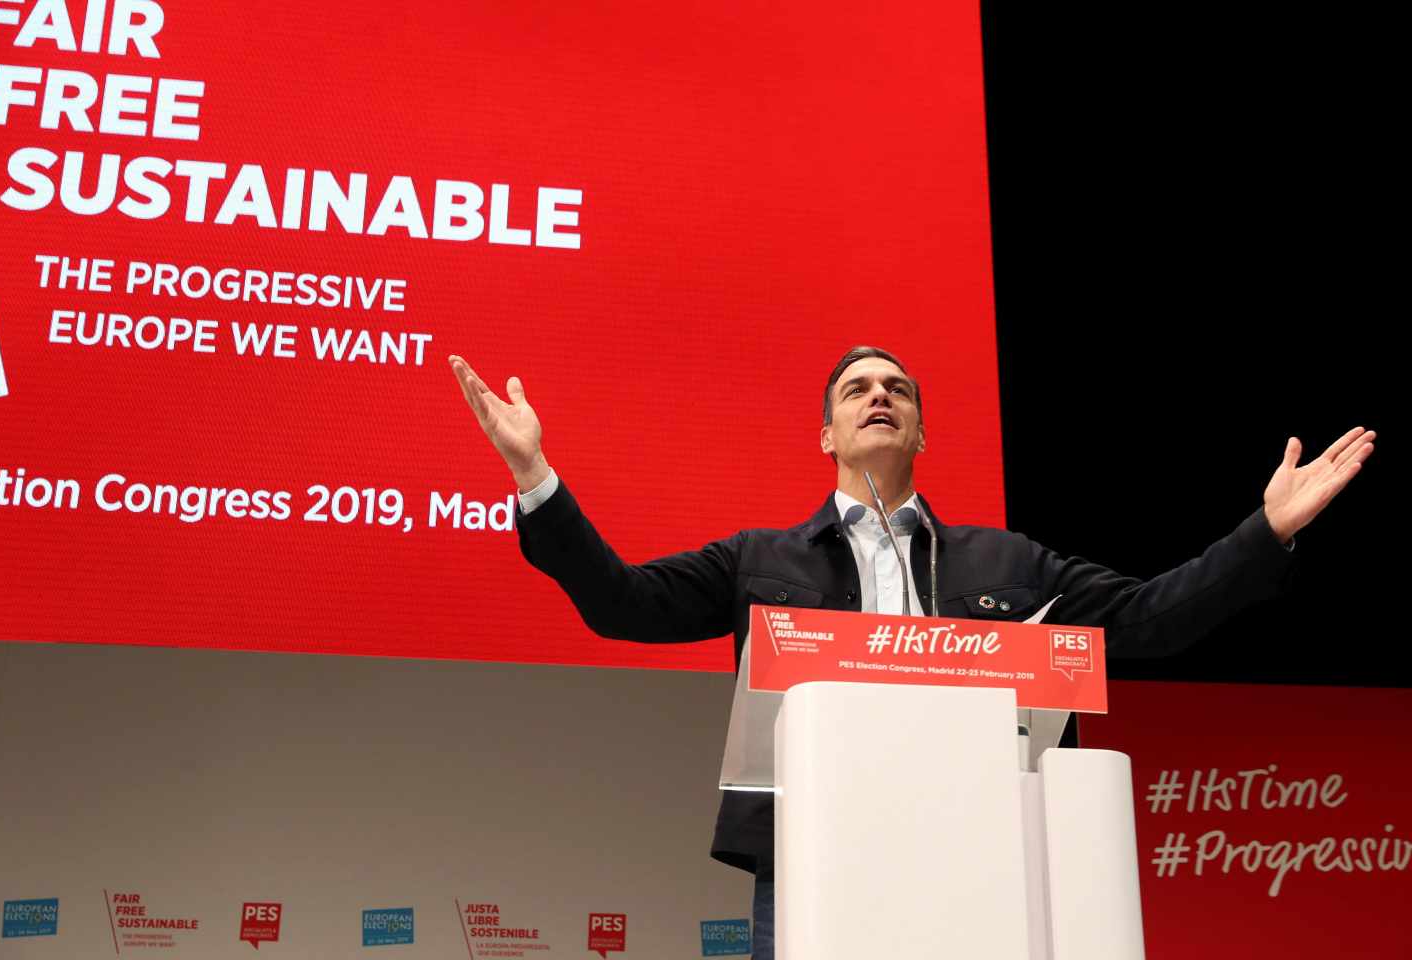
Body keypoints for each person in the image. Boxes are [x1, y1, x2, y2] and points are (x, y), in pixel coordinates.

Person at [448, 345, 1374, 960]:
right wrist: (535, 476)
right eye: (857, 390)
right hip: (814, 853)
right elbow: (621, 604)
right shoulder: (757, 561)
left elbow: (1151, 619)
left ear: (922, 431)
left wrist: (1265, 532)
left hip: (987, 856)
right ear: (828, 435)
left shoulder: (1012, 562)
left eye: (897, 389)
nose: (878, 396)